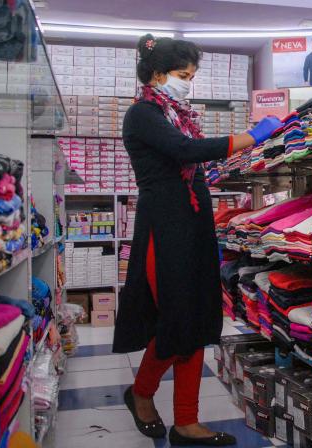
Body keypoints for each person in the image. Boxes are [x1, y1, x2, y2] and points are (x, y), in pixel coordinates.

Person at [112, 34, 281, 447]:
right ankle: (142, 391)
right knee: (175, 318)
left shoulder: (178, 113)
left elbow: (189, 149)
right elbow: (185, 151)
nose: (188, 83)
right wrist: (252, 136)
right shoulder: (142, 115)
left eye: (191, 76)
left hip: (193, 224)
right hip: (164, 227)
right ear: (156, 74)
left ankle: (187, 422)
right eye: (182, 75)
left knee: (200, 317)